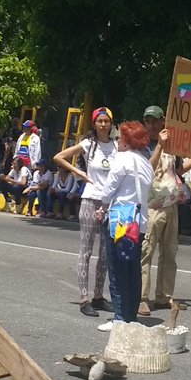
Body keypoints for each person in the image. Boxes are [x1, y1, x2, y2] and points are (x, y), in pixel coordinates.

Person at [139, 105, 191, 316]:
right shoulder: (142, 145)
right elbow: (147, 170)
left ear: (162, 123)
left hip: (171, 206)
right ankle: (141, 298)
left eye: (154, 121)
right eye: (147, 121)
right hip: (150, 207)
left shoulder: (172, 147)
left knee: (169, 253)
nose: (150, 125)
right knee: (146, 252)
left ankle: (164, 296)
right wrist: (160, 144)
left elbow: (178, 170)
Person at [53, 107, 116, 317]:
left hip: (109, 204)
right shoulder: (88, 144)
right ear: (94, 123)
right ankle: (84, 298)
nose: (104, 124)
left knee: (106, 253)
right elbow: (59, 157)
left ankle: (98, 296)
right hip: (90, 199)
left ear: (111, 123)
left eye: (107, 121)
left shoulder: (117, 147)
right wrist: (79, 172)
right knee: (86, 250)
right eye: (100, 121)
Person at [93, 121, 154, 331]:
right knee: (132, 269)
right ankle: (131, 316)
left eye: (120, 138)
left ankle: (119, 317)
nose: (117, 141)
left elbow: (109, 188)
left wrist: (102, 207)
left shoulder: (122, 160)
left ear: (128, 142)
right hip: (139, 222)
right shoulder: (146, 163)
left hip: (121, 219)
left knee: (117, 270)